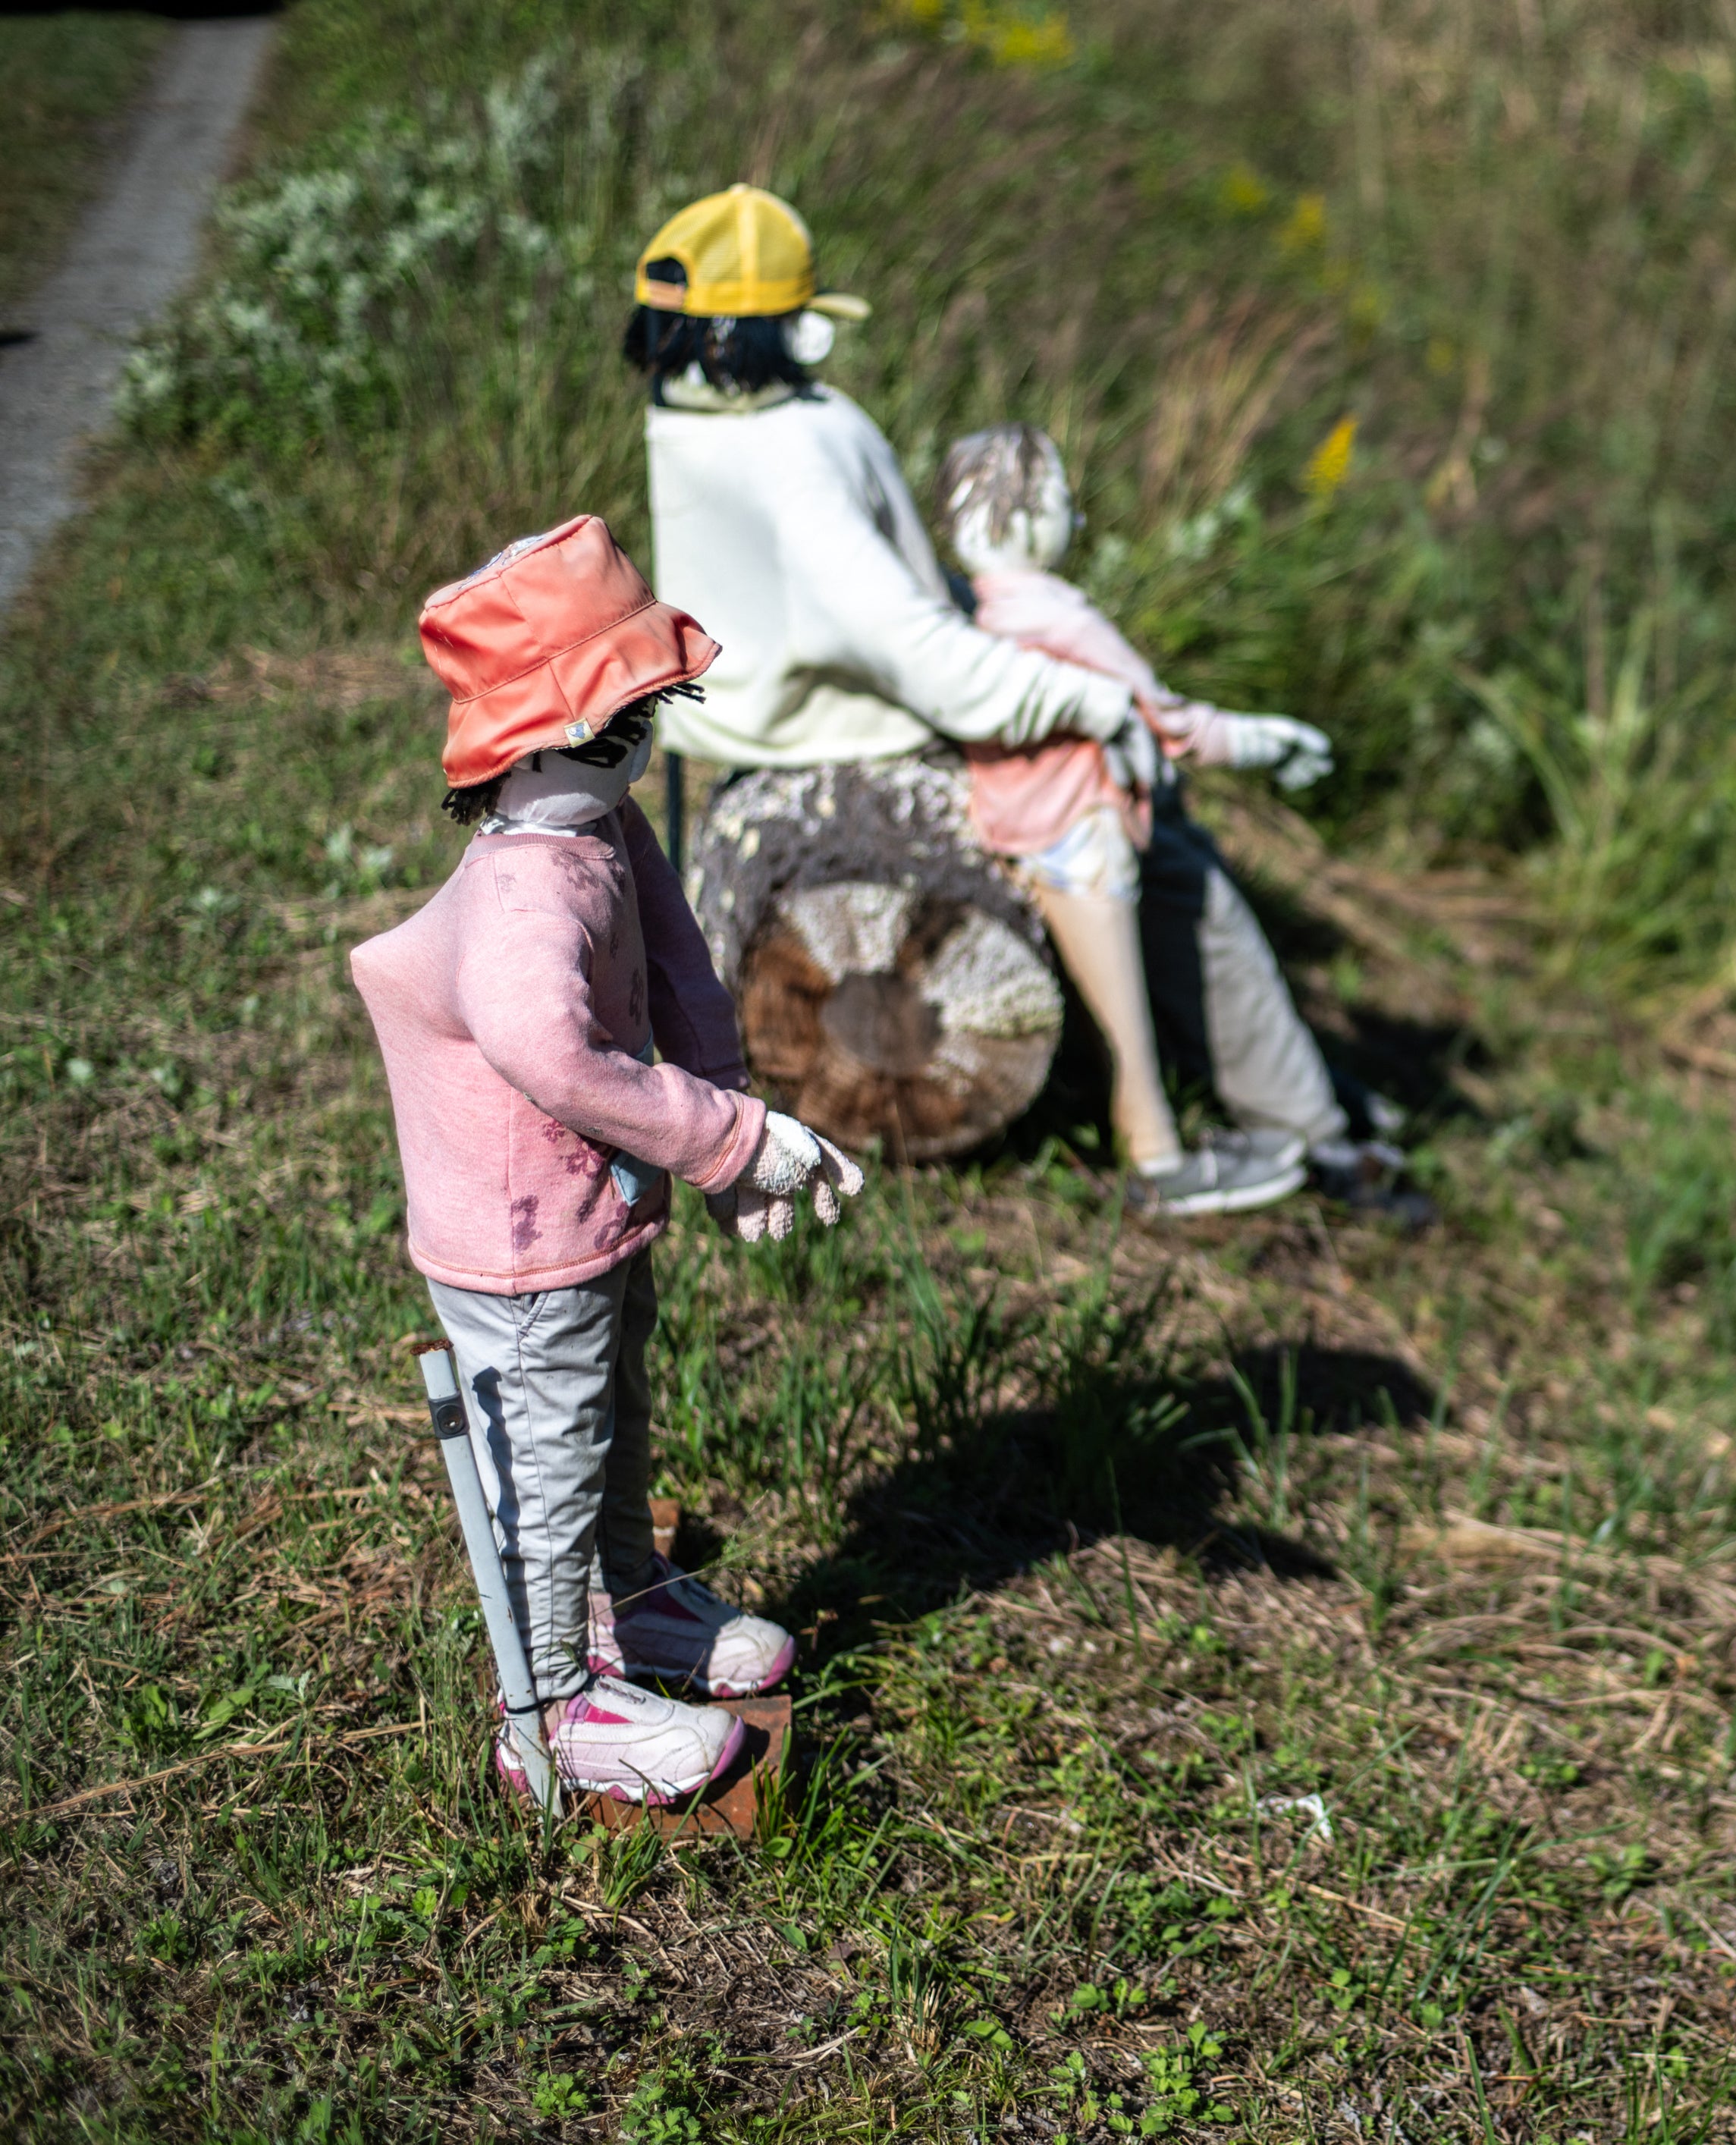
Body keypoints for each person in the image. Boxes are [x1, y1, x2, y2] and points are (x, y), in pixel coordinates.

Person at [624, 185, 1307, 1214]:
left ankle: (1280, 1114)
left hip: (755, 726)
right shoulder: (797, 446)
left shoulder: (681, 417)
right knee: (1167, 860)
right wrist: (1088, 699)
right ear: (776, 330)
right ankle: (1257, 1132)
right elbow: (919, 655)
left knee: (1162, 852)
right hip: (846, 733)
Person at [352, 516, 865, 1804]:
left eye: (646, 715)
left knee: (610, 1414)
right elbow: (556, 1056)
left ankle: (625, 1600)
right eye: (615, 723)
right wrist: (735, 1139)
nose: (638, 747)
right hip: (523, 1240)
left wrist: (729, 1127)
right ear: (533, 738)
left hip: (595, 1213)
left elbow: (679, 964)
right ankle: (552, 1703)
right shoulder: (531, 890)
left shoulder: (600, 827)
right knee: (546, 1445)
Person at [937, 423, 1397, 1205]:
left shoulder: (963, 615)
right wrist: (1261, 739)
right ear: (1032, 512)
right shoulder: (1062, 617)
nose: (1078, 520)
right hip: (1084, 836)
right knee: (1129, 1030)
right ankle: (1159, 1157)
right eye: (1065, 500)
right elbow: (1169, 720)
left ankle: (1189, 1131)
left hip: (1008, 822)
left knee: (1114, 1015)